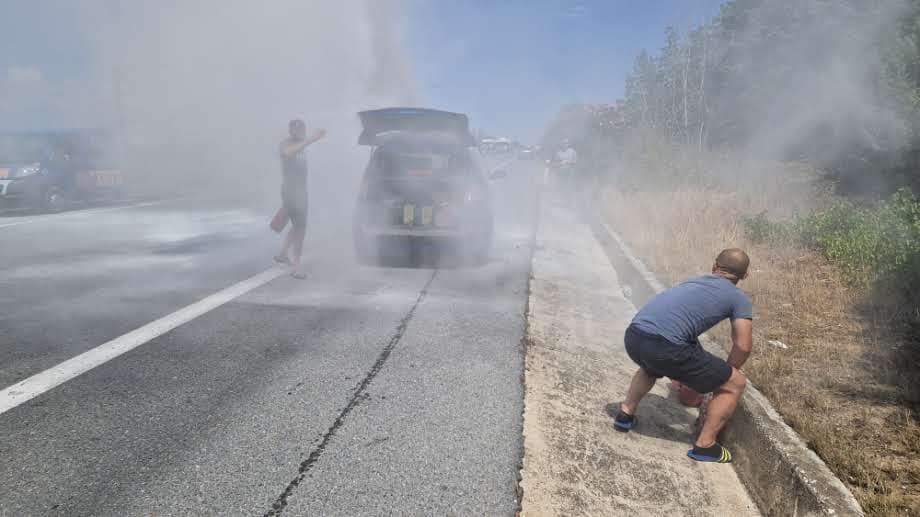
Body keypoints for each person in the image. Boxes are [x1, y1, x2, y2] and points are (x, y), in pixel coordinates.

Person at [613, 248, 754, 463]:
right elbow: (743, 346)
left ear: (715, 266)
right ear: (744, 275)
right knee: (735, 383)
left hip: (634, 337)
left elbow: (676, 325)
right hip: (665, 348)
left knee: (651, 366)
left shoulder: (692, 282)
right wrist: (725, 375)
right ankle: (705, 446)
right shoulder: (739, 298)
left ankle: (625, 414)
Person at [274, 119, 326, 279]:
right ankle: (296, 268)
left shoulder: (301, 145)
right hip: (292, 192)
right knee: (301, 229)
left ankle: (283, 254)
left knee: (297, 226)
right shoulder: (287, 144)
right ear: (291, 131)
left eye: (303, 128)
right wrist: (311, 140)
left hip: (299, 192)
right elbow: (286, 153)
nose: (302, 131)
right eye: (298, 129)